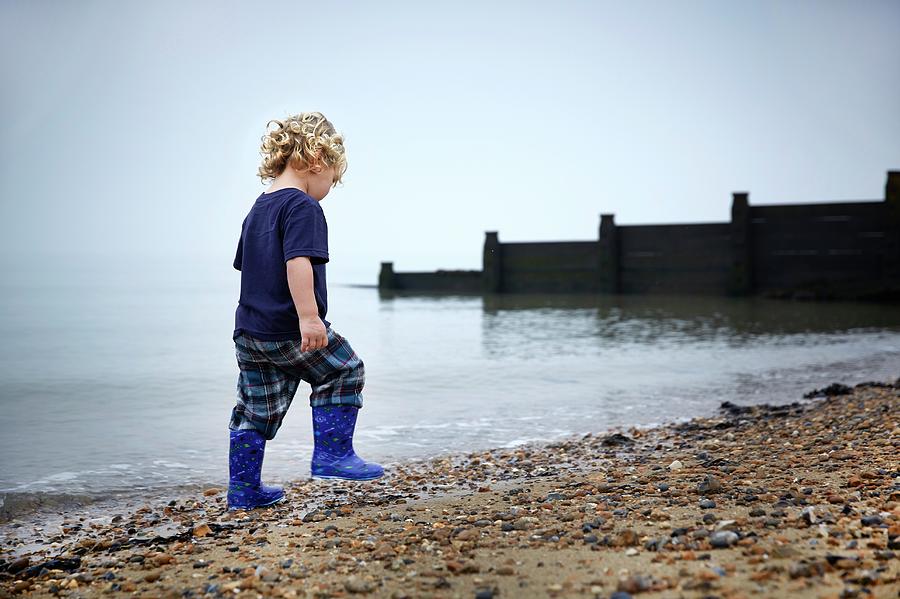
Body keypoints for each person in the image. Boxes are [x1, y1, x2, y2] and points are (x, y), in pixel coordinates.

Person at [226, 112, 383, 511]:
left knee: (255, 407)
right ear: (316, 159)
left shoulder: (258, 208)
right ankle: (332, 456)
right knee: (343, 369)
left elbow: (249, 267)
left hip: (250, 331)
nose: (328, 189)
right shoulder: (302, 207)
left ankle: (243, 490)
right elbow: (297, 262)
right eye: (332, 179)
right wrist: (309, 318)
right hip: (289, 328)